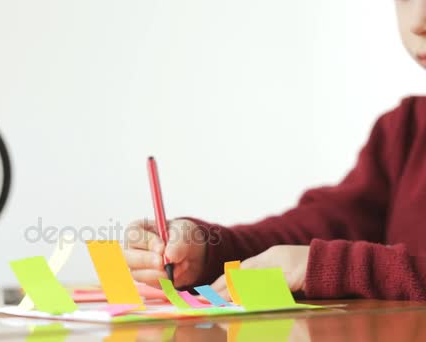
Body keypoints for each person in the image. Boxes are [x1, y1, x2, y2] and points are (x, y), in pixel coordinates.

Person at [123, 1, 426, 300]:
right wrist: (208, 249)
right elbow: (326, 225)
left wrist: (325, 266)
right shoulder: (406, 129)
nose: (417, 21)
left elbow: (321, 258)